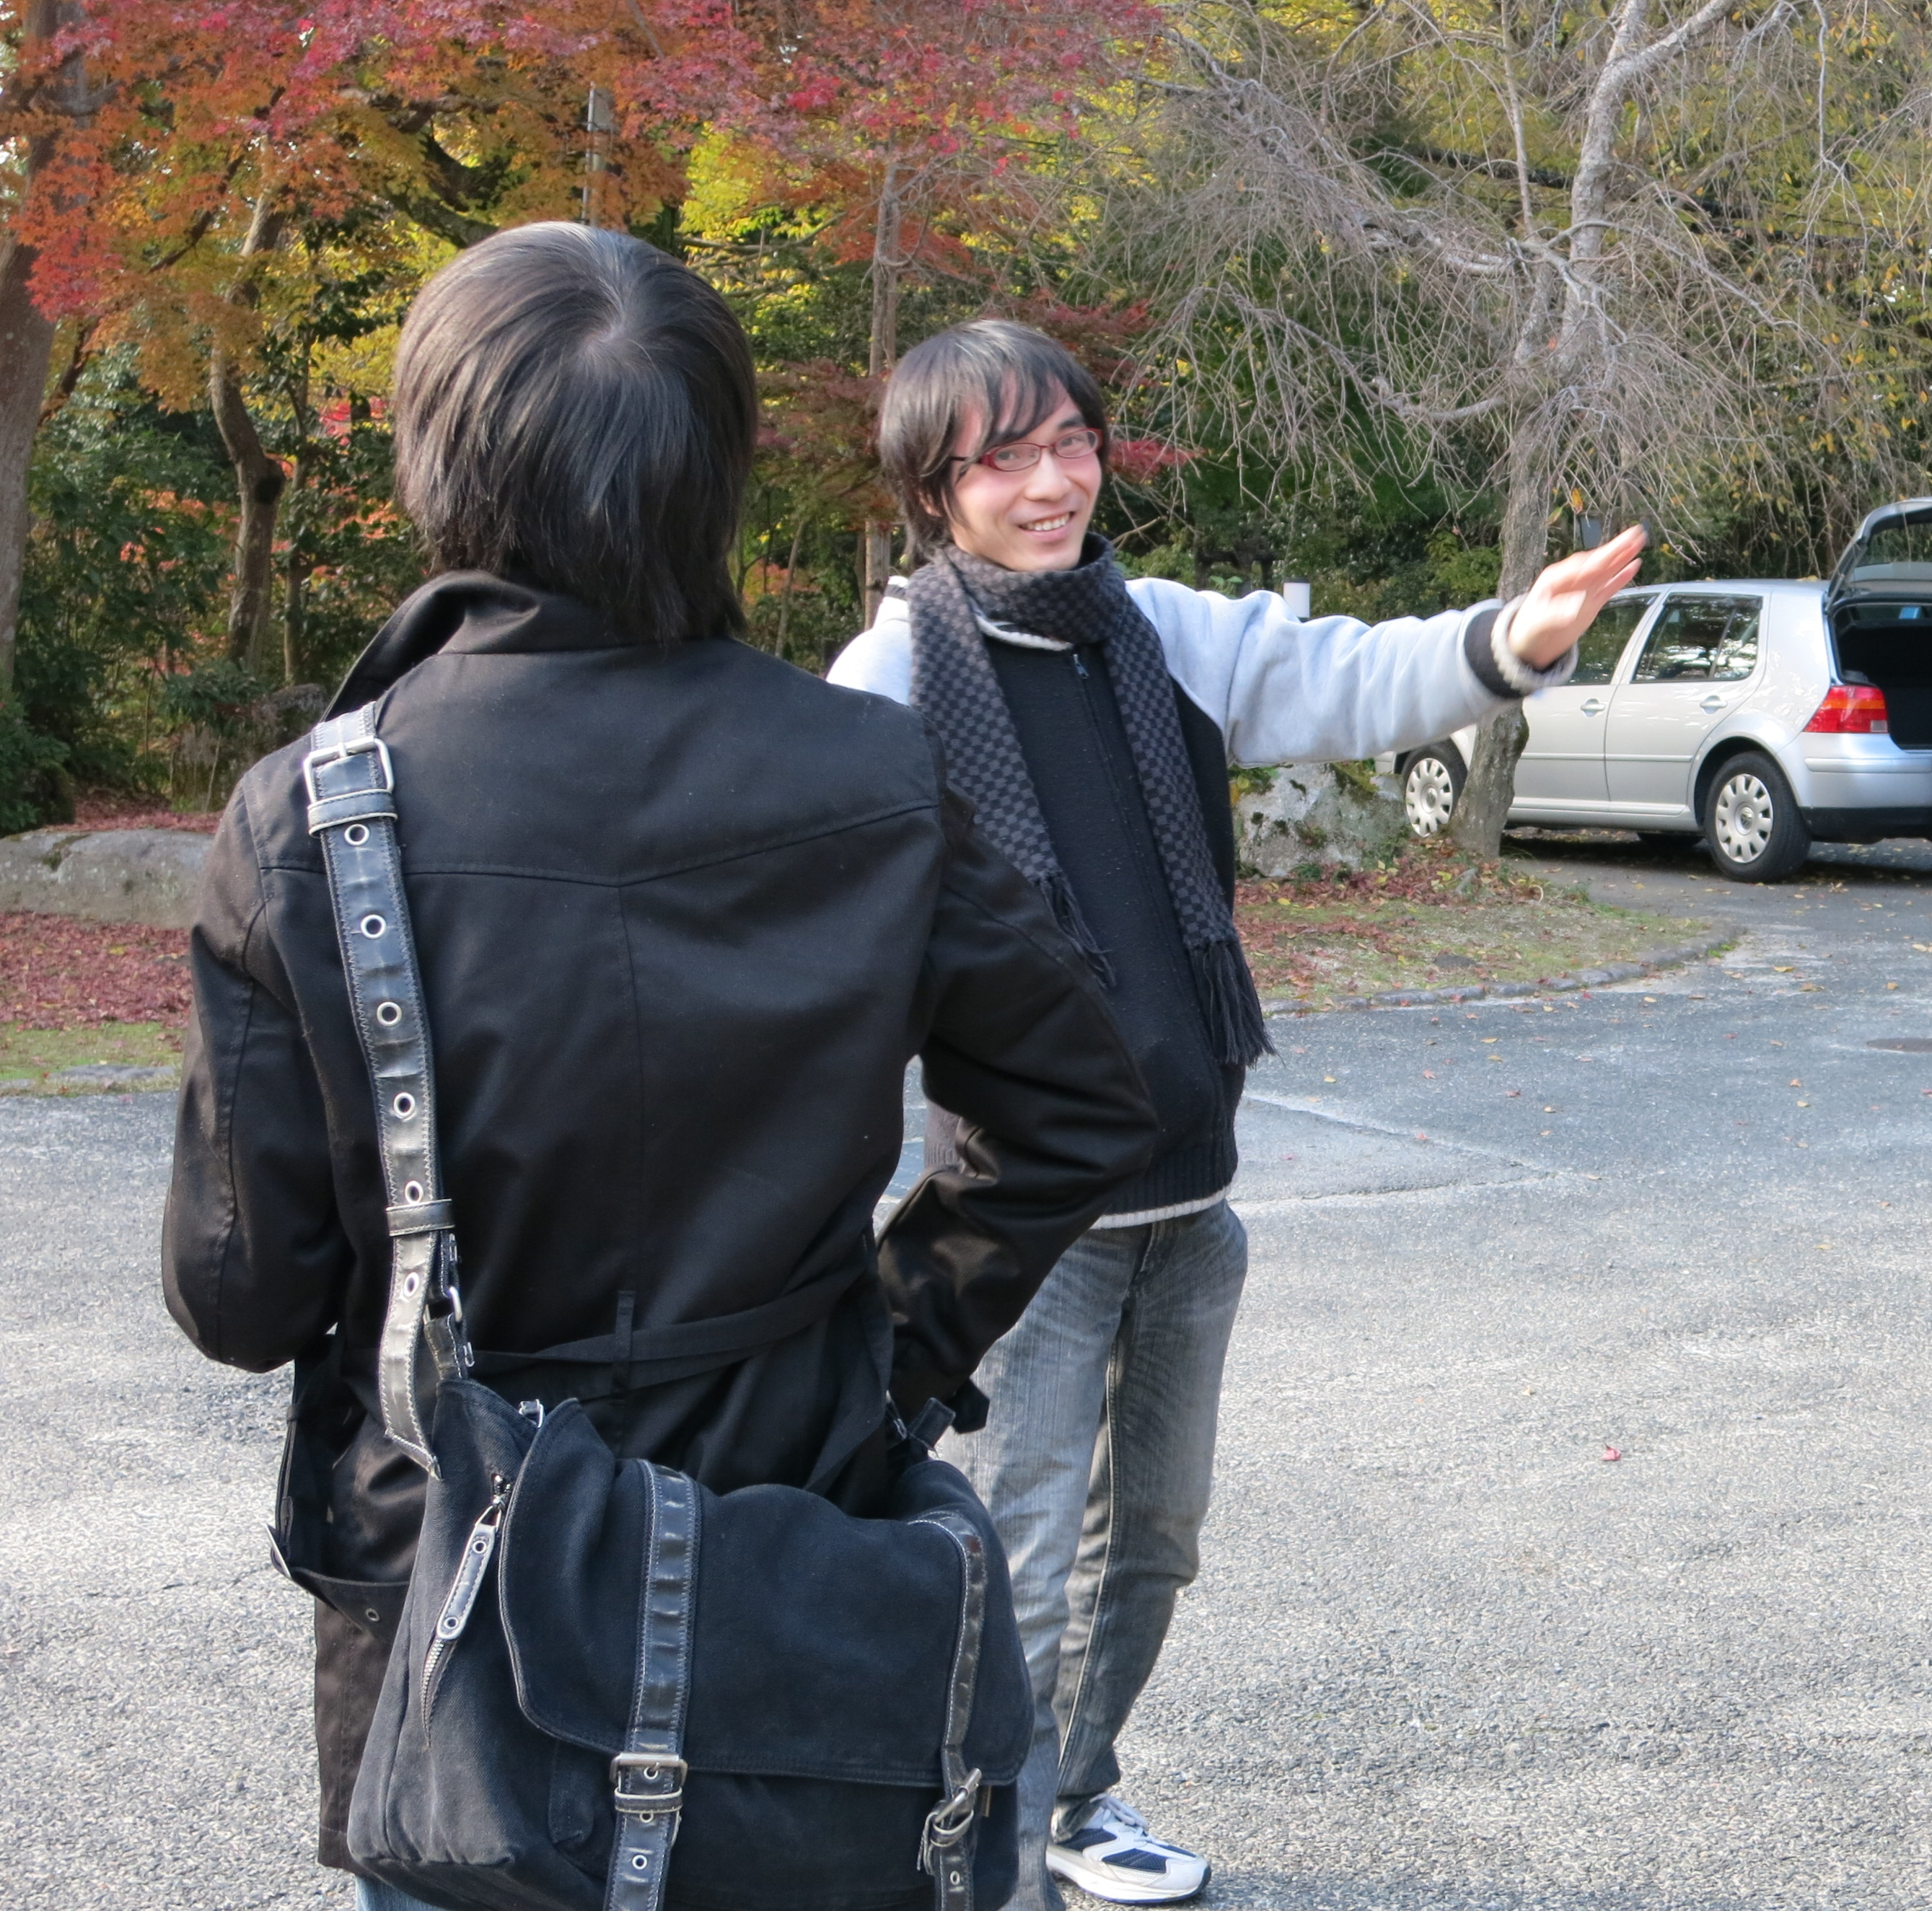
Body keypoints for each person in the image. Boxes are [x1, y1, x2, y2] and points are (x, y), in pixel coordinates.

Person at [162, 227, 1159, 1909]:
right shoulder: (869, 769)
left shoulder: (316, 816)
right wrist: (892, 1346)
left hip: (456, 1593)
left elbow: (241, 1296)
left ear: (438, 459)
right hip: (796, 1528)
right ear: (715, 475)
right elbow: (1076, 1104)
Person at [827, 319, 1642, 1909]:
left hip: (1189, 1199)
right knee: (1022, 1560)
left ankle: (1075, 1796)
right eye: (1006, 458)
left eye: (1072, 443)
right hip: (1023, 1224)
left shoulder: (1161, 636)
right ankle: (983, 1842)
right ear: (934, 489)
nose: (1053, 483)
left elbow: (1345, 676)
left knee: (1156, 1539)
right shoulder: (892, 682)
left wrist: (1516, 637)